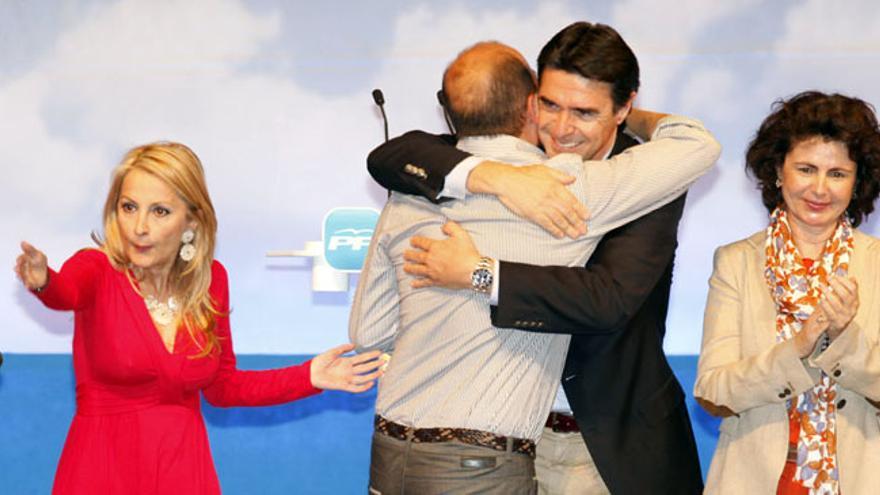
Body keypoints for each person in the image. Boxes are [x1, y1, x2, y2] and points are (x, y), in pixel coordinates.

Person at [351, 40, 719, 494]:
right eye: (550, 104)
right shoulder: (476, 165)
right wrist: (499, 178)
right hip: (508, 443)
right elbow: (392, 155)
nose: (561, 128)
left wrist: (480, 273)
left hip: (602, 444)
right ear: (530, 103)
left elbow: (607, 299)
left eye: (585, 112)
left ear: (622, 108)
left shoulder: (635, 178)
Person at [14, 142, 385, 494]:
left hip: (184, 469)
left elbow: (223, 388)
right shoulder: (96, 268)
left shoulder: (212, 280)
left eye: (159, 211)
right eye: (129, 207)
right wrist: (44, 281)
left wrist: (308, 377)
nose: (139, 226)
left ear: (191, 220)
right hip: (103, 469)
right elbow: (66, 293)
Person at [694, 91, 880, 494]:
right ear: (778, 171)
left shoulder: (876, 264)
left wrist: (844, 340)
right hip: (754, 480)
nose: (819, 188)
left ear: (857, 181)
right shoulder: (736, 262)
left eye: (837, 173)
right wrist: (799, 345)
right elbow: (712, 391)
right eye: (806, 168)